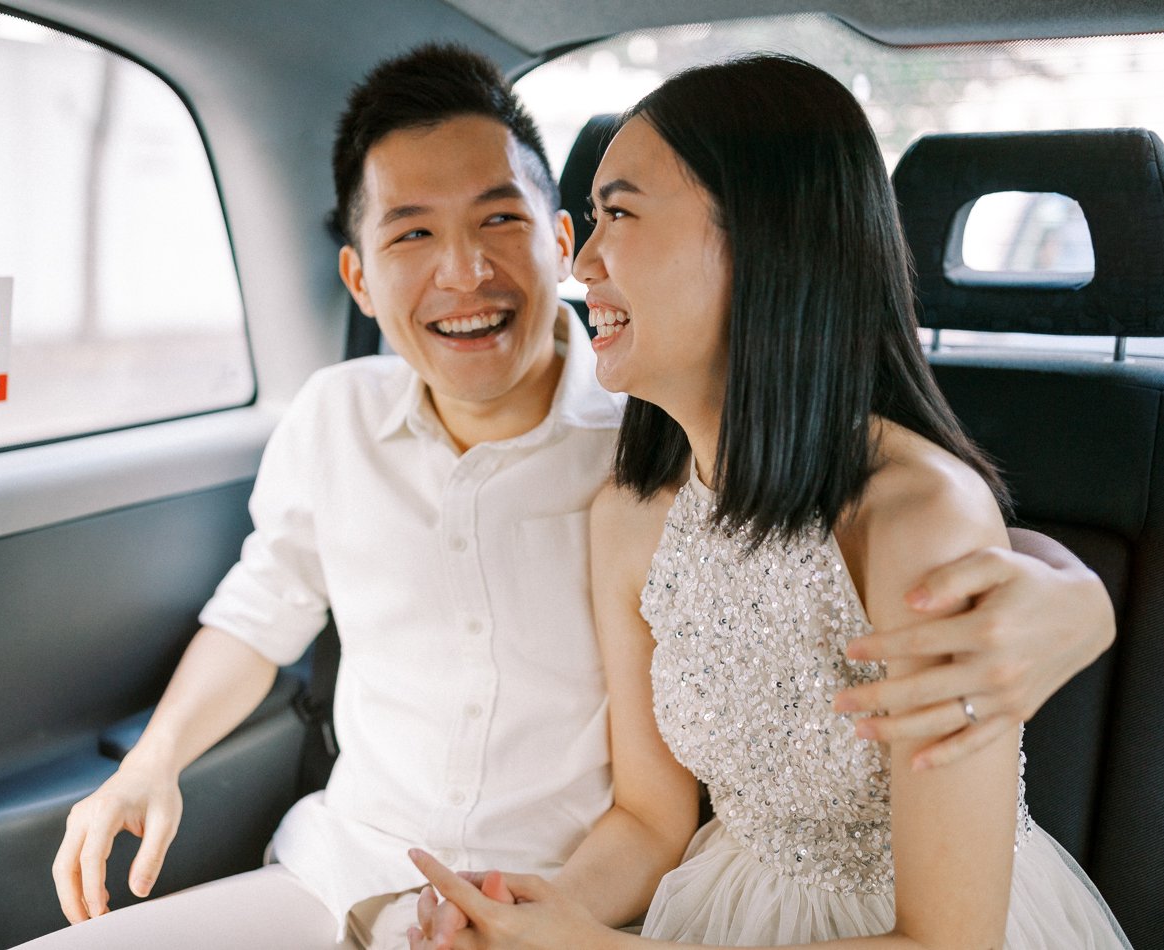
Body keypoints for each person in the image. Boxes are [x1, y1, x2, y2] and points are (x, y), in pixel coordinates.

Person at [25, 46, 1116, 950]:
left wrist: (1078, 595)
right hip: (370, 866)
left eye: (600, 220)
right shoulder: (627, 494)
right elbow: (262, 605)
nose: (577, 264)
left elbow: (906, 540)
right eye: (411, 231)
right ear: (358, 274)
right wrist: (154, 761)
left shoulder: (651, 450)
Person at [407, 54, 1131, 950]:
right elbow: (647, 818)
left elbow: (949, 941)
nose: (582, 259)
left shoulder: (916, 518)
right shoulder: (631, 516)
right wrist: (529, 912)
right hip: (725, 903)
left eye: (619, 214)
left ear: (760, 236)